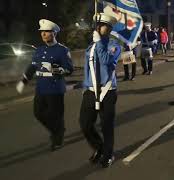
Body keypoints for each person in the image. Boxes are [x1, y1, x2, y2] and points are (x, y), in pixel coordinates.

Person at [16, 19, 73, 151]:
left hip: (55, 88)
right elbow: (32, 66)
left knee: (55, 114)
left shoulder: (62, 50)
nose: (43, 34)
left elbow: (69, 69)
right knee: (38, 113)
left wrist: (53, 69)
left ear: (54, 33)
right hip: (41, 88)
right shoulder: (39, 50)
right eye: (42, 32)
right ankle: (58, 129)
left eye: (46, 32)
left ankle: (57, 138)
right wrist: (23, 81)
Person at [79, 9, 121, 168]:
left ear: (109, 29)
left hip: (107, 91)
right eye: (97, 25)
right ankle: (99, 147)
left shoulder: (114, 46)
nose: (98, 28)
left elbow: (105, 61)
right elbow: (87, 68)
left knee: (106, 126)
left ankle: (108, 154)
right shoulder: (91, 46)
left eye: (102, 26)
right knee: (85, 124)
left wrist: (98, 44)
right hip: (90, 91)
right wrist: (85, 86)